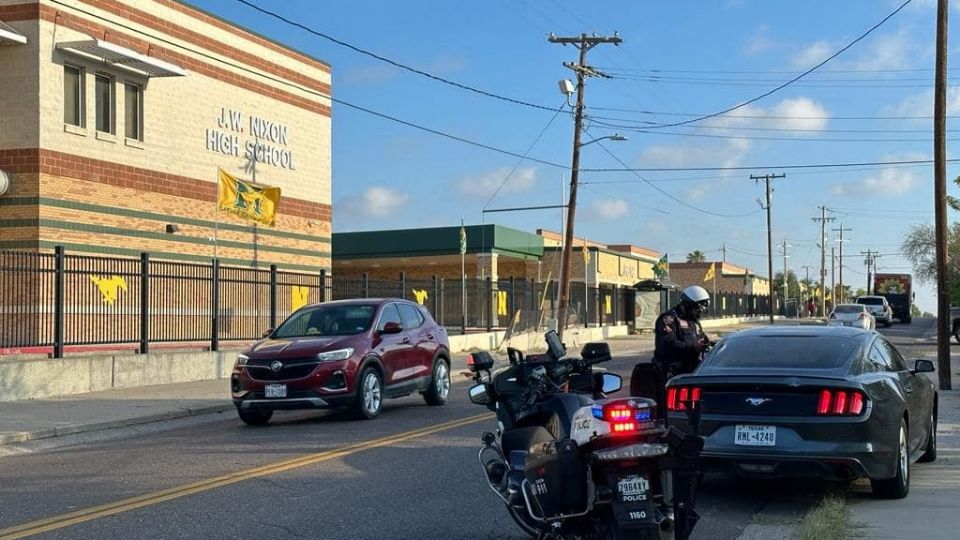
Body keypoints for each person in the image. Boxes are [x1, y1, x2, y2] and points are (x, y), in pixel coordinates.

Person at [653, 285, 713, 381]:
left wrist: (714, 344)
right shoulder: (668, 319)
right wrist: (694, 347)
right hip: (672, 369)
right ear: (687, 305)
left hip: (692, 367)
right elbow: (670, 343)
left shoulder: (693, 321)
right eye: (697, 309)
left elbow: (702, 338)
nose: (698, 313)